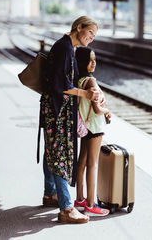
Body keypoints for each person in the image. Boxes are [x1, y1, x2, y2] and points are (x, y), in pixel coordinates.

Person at [40, 16, 100, 224]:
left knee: (52, 150)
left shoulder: (67, 47)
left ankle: (50, 194)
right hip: (57, 109)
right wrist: (85, 95)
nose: (91, 38)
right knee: (59, 155)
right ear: (79, 27)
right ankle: (66, 207)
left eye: (94, 36)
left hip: (56, 108)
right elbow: (61, 84)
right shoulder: (65, 48)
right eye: (90, 33)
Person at [74, 46, 111, 216]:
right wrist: (108, 111)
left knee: (82, 161)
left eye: (94, 59)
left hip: (84, 126)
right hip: (95, 126)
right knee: (92, 163)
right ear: (84, 62)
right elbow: (97, 109)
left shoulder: (79, 80)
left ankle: (79, 199)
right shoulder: (91, 81)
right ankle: (90, 204)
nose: (94, 63)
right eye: (91, 60)